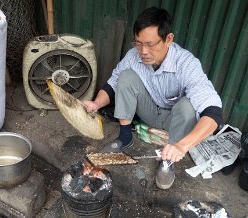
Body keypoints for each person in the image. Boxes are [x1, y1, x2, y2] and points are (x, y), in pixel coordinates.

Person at [83, 6, 223, 189]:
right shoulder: (134, 56)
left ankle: (168, 159)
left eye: (150, 44)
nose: (143, 51)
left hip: (176, 121)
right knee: (126, 76)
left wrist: (181, 146)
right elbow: (113, 84)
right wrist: (96, 103)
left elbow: (214, 112)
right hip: (150, 112)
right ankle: (125, 137)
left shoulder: (186, 64)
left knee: (189, 105)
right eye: (139, 43)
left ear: (168, 39)